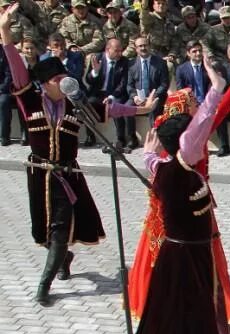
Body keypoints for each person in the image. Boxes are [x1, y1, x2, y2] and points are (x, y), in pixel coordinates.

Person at [0, 5, 151, 306]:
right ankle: (64, 257)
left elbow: (109, 110)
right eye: (59, 79)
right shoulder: (29, 98)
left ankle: (44, 285)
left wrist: (142, 109)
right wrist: (4, 32)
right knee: (45, 232)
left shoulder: (74, 103)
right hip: (40, 175)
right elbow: (16, 66)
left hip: (67, 176)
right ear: (46, 83)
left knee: (58, 228)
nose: (65, 82)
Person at [133, 55, 230, 334]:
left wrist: (149, 151)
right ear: (184, 143)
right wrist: (215, 89)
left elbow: (150, 158)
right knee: (187, 320)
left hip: (178, 259)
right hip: (186, 259)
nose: (201, 140)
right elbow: (200, 125)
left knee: (173, 318)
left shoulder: (160, 169)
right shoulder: (182, 164)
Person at [126, 74, 230, 324]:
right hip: (181, 207)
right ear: (182, 108)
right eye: (193, 101)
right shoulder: (178, 139)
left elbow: (216, 113)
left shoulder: (193, 132)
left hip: (198, 199)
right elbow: (162, 173)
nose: (198, 104)